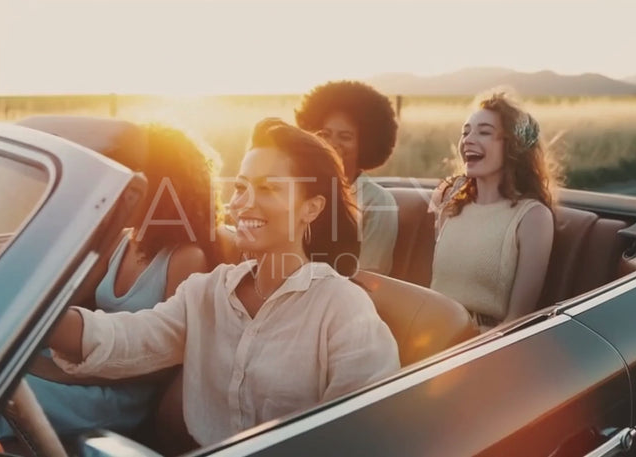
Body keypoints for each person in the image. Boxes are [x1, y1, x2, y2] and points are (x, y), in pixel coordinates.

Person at [47, 118, 400, 447]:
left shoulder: (342, 307)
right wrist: (34, 317)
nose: (244, 204)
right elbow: (127, 337)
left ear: (311, 208)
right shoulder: (207, 291)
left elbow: (365, 432)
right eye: (242, 187)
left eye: (268, 189)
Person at [0, 122, 223, 437]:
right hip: (75, 362)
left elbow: (163, 363)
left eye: (135, 175)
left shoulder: (186, 258)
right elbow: (60, 302)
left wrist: (58, 372)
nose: (122, 187)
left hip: (118, 392)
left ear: (164, 187)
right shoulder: (123, 240)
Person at [428, 90, 558, 331]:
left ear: (512, 146)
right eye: (465, 132)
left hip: (482, 344)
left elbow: (518, 319)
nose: (468, 139)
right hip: (429, 331)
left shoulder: (533, 217)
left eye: (484, 132)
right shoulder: (450, 203)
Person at [295, 81, 399, 275]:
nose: (332, 144)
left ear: (366, 144)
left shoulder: (377, 202)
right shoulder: (300, 190)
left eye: (345, 137)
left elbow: (372, 280)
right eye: (324, 134)